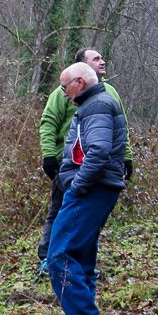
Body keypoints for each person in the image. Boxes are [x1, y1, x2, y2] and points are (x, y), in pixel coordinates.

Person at [47, 62, 127, 315]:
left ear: (79, 82)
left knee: (59, 254)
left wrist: (77, 186)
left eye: (64, 86)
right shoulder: (95, 103)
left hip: (91, 189)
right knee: (80, 255)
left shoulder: (97, 106)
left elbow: (99, 151)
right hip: (97, 188)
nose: (63, 92)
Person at [37, 48, 133, 274]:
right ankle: (48, 259)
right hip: (67, 165)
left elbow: (121, 126)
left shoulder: (109, 92)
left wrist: (127, 156)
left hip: (98, 169)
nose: (102, 61)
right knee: (59, 211)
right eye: (96, 59)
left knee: (88, 219)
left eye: (101, 58)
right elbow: (48, 123)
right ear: (82, 68)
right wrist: (49, 156)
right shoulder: (63, 92)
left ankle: (81, 264)